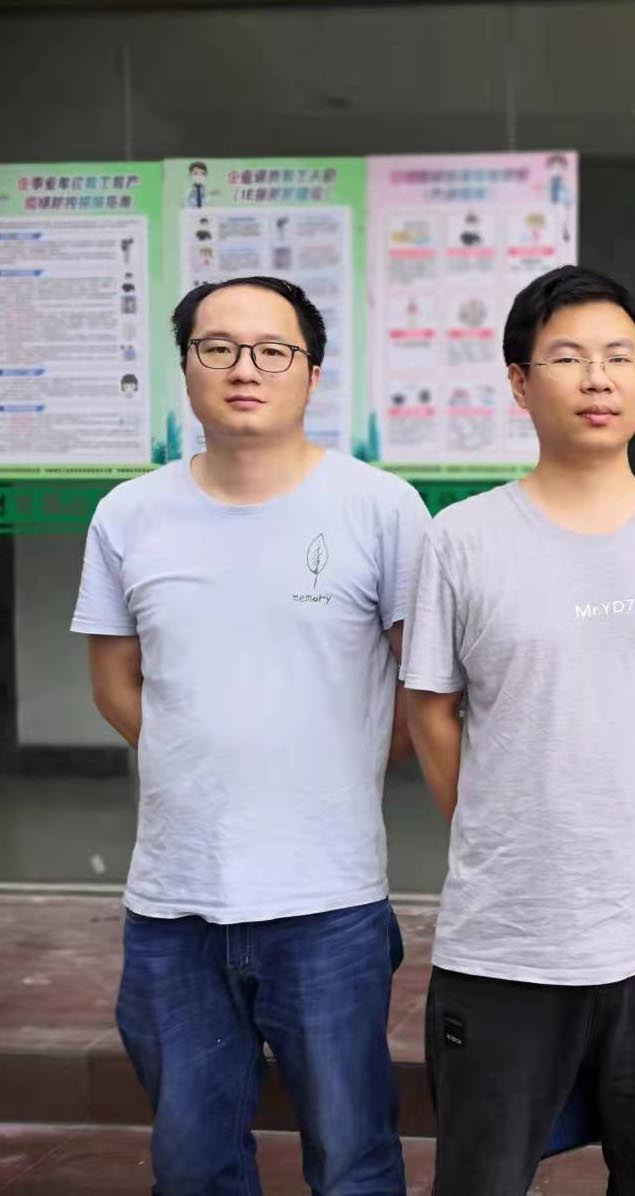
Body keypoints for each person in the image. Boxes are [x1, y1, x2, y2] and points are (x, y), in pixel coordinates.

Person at [72, 275, 430, 1196]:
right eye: (217, 348)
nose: (244, 369)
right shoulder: (128, 514)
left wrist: (339, 768)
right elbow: (114, 682)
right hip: (175, 905)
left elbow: (421, 687)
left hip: (329, 902)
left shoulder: (382, 508)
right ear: (186, 366)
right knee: (192, 1166)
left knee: (353, 1160)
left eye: (273, 350)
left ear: (312, 372)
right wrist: (196, 757)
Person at [402, 264, 635, 1195]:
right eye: (568, 358)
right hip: (508, 932)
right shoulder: (461, 538)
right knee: (481, 1176)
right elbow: (428, 705)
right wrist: (497, 817)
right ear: (519, 382)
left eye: (619, 357)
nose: (597, 379)